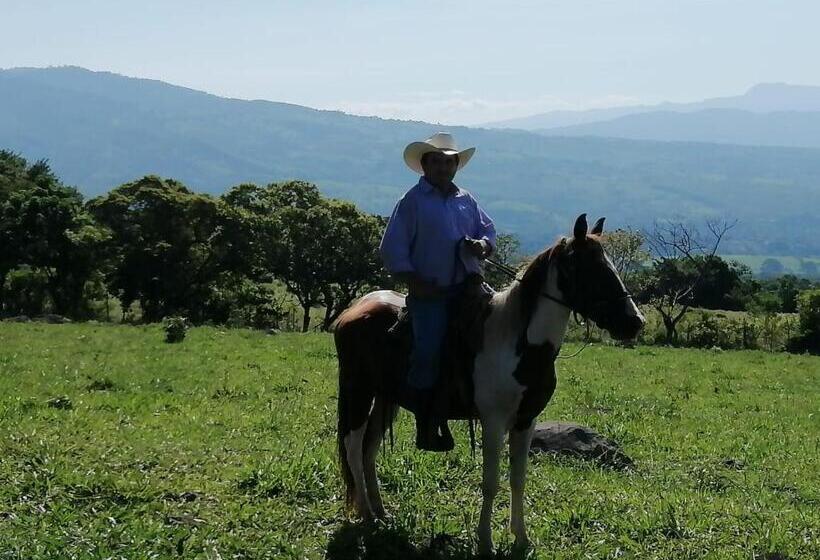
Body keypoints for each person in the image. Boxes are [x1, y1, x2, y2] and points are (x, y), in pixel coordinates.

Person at [380, 132, 496, 451]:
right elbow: (392, 248)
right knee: (428, 351)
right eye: (437, 162)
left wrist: (482, 245)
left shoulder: (466, 199)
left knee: (502, 332)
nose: (444, 168)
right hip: (430, 292)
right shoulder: (412, 201)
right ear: (425, 165)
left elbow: (487, 231)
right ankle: (428, 423)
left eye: (449, 162)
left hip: (469, 287)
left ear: (456, 166)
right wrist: (415, 282)